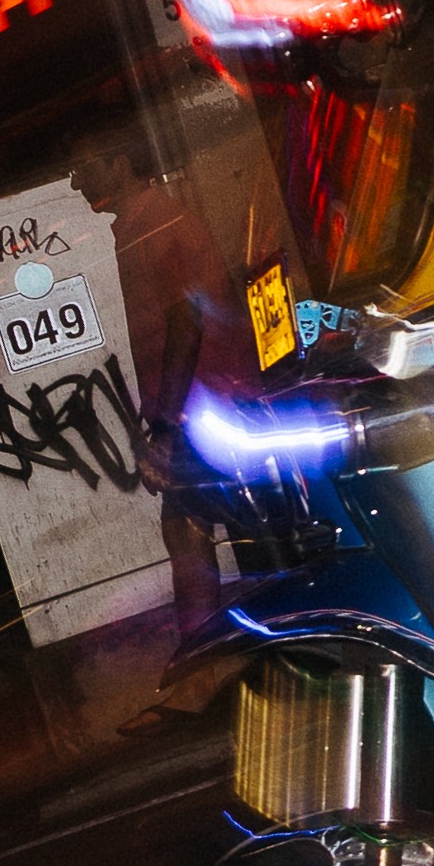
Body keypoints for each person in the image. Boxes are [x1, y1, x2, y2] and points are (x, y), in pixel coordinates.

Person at [64, 123, 268, 738]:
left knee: (201, 532)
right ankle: (217, 674)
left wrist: (166, 421)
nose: (75, 181)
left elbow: (187, 319)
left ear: (121, 164)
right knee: (204, 530)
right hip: (205, 407)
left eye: (86, 167)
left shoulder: (158, 222)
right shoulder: (141, 224)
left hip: (208, 408)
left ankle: (211, 679)